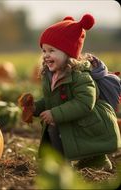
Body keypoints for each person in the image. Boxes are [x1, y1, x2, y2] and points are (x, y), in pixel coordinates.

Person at [20, 14, 121, 171]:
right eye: (44, 50)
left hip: (89, 121)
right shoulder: (51, 75)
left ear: (68, 53)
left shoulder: (80, 76)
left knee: (59, 128)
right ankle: (62, 164)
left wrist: (56, 114)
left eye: (51, 50)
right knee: (53, 127)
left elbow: (84, 103)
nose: (46, 55)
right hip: (71, 117)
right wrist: (35, 108)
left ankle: (97, 162)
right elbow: (52, 101)